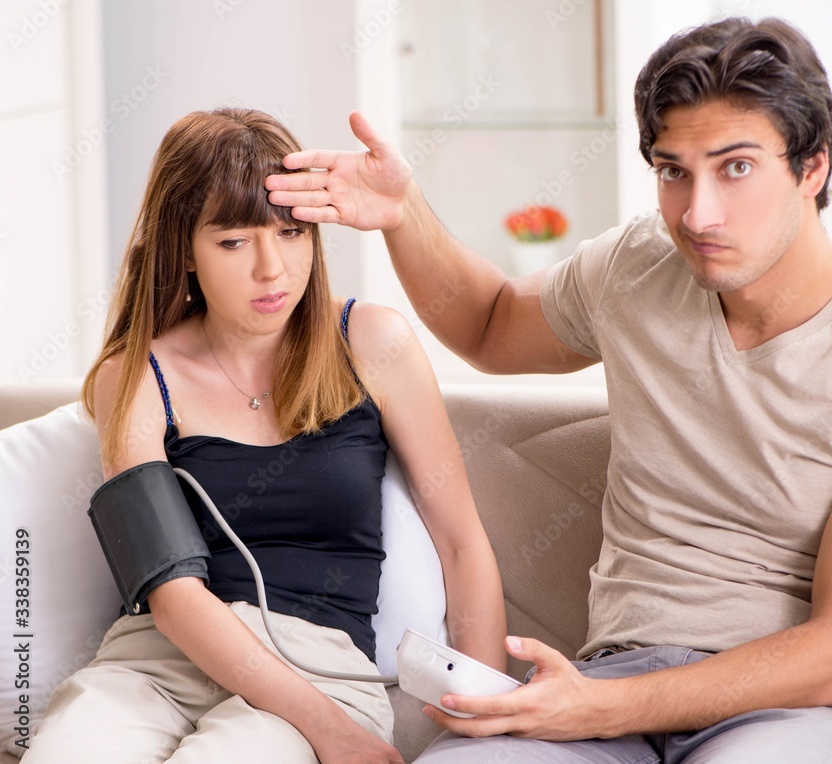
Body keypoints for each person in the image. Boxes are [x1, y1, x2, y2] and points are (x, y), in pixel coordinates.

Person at [263, 15, 832, 764]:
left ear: (813, 168)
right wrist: (402, 214)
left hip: (815, 713)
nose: (697, 213)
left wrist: (593, 707)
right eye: (673, 171)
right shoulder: (640, 266)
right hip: (624, 680)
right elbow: (487, 326)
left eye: (735, 168)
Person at [21, 107, 507, 764]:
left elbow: (461, 543)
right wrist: (330, 732)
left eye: (290, 232)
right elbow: (171, 597)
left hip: (321, 671)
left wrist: (489, 730)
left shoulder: (373, 343)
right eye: (233, 242)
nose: (272, 269)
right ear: (183, 253)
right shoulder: (136, 375)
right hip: (156, 667)